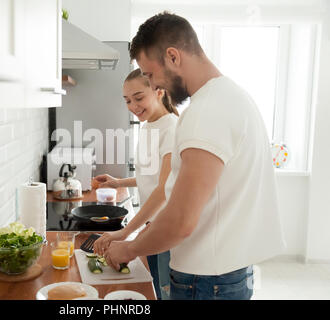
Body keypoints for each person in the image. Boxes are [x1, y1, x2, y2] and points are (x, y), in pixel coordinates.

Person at [101, 12, 286, 300]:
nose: (155, 86)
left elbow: (180, 220)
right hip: (226, 271)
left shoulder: (207, 111)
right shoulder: (233, 97)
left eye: (150, 75)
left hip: (207, 280)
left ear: (173, 57)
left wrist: (128, 247)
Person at [92, 68, 178, 300]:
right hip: (152, 225)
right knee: (156, 290)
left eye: (139, 98)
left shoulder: (171, 128)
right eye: (128, 100)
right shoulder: (149, 125)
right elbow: (150, 175)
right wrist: (119, 181)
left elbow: (163, 190)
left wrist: (126, 232)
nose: (132, 105)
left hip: (167, 229)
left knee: (165, 293)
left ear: (159, 91)